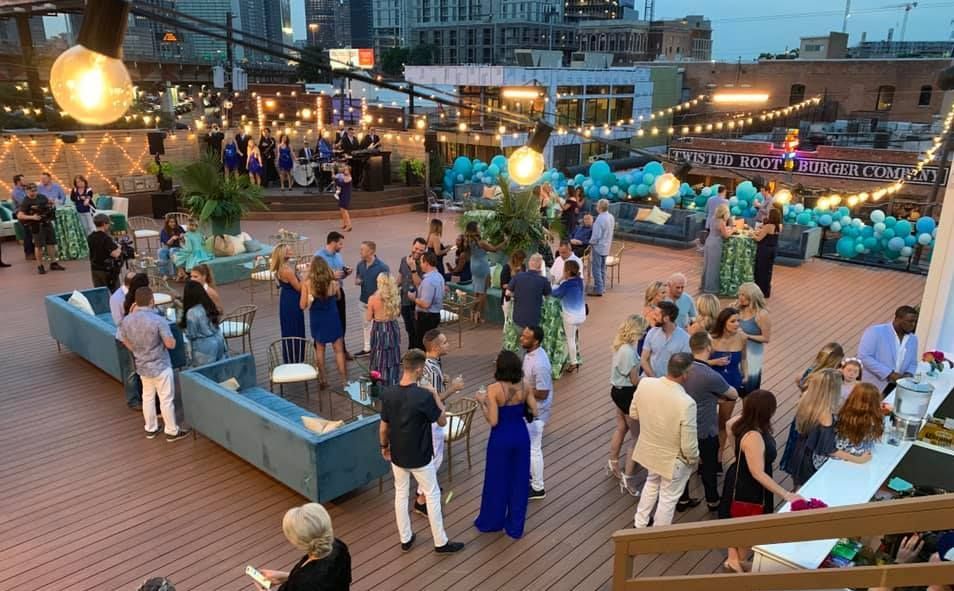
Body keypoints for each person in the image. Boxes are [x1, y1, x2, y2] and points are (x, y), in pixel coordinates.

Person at [379, 349, 464, 554]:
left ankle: (406, 538)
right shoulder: (423, 396)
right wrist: (434, 394)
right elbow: (442, 421)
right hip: (420, 454)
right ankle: (440, 542)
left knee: (400, 493)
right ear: (418, 369)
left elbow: (383, 427)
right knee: (432, 494)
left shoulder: (388, 394)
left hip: (398, 453)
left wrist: (384, 447)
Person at [719, 390, 802, 573]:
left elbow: (728, 423)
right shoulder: (754, 436)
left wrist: (737, 452)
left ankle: (732, 560)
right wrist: (786, 494)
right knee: (749, 527)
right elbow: (757, 473)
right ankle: (737, 562)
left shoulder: (739, 424)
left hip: (736, 477)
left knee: (734, 519)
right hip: (749, 487)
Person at [631, 353, 700, 528]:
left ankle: (640, 523)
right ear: (685, 373)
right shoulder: (687, 403)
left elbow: (634, 413)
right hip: (673, 459)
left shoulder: (645, 384)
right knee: (668, 499)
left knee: (651, 483)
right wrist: (693, 460)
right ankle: (658, 535)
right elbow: (688, 443)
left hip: (650, 451)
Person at [474, 350, 537, 539]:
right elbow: (535, 409)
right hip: (520, 435)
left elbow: (493, 421)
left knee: (496, 479)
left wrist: (482, 403)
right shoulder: (525, 386)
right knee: (519, 481)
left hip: (501, 438)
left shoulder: (493, 389)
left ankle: (492, 521)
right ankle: (515, 526)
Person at [117, 287, 190, 441]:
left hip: (142, 365)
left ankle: (151, 428)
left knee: (148, 397)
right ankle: (171, 431)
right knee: (166, 399)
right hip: (160, 365)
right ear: (152, 301)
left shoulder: (127, 320)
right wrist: (174, 340)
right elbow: (170, 344)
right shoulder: (158, 320)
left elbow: (122, 338)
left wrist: (135, 350)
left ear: (136, 301)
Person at [681, 331, 738, 512]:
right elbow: (733, 394)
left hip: (683, 426)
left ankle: (682, 499)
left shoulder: (681, 369)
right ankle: (712, 500)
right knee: (709, 466)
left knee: (682, 466)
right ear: (708, 348)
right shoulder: (709, 375)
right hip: (705, 429)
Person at [413, 329, 465, 515]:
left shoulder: (427, 364)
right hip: (432, 419)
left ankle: (427, 488)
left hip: (423, 418)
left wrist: (443, 381)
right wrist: (453, 388)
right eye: (444, 343)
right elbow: (435, 400)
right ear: (435, 347)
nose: (448, 344)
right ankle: (421, 498)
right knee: (435, 458)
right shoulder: (432, 368)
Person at [255, 503, 351, 591]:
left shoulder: (302, 583)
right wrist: (287, 576)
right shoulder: (338, 547)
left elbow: (308, 582)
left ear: (296, 541)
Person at [608, 314, 650, 496]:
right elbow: (634, 380)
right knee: (637, 437)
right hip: (627, 394)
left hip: (616, 391)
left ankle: (613, 461)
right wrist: (650, 381)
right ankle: (629, 477)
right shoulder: (630, 352)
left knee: (621, 428)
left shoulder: (620, 347)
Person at [785, 368, 848, 487]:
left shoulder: (807, 399)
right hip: (812, 460)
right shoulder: (825, 415)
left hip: (800, 450)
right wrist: (858, 459)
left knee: (799, 487)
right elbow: (828, 449)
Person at [301, 255, 347, 388]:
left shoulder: (308, 284)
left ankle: (323, 379)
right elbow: (338, 297)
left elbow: (302, 305)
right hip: (332, 317)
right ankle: (344, 380)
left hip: (317, 318)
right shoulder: (333, 283)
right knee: (338, 350)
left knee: (320, 350)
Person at [710, 306, 747, 456]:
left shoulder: (742, 337)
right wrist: (714, 362)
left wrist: (745, 374)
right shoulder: (711, 338)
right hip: (712, 382)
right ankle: (704, 457)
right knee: (708, 421)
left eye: (738, 321)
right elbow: (700, 361)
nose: (737, 324)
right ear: (723, 322)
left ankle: (718, 455)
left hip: (732, 381)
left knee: (724, 421)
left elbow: (744, 358)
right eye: (733, 321)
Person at [858, 305, 919, 395]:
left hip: (898, 388)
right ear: (898, 319)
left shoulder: (913, 339)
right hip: (874, 387)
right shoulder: (875, 331)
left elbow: (913, 362)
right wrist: (889, 374)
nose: (913, 325)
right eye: (910, 321)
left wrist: (908, 375)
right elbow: (864, 357)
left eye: (914, 322)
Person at [522, 325, 553, 500]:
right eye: (522, 336)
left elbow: (543, 392)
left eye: (526, 338)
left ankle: (538, 487)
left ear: (536, 341)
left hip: (537, 412)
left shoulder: (540, 364)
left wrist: (520, 390)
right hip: (529, 408)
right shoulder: (529, 355)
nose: (521, 339)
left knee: (534, 449)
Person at [315, 232, 353, 360]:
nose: (342, 246)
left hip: (339, 291)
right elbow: (315, 277)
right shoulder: (318, 257)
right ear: (333, 242)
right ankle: (319, 353)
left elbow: (340, 272)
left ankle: (342, 349)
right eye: (340, 243)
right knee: (323, 323)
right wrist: (331, 276)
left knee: (342, 321)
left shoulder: (338, 256)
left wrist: (346, 272)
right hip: (324, 295)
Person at [17, 182, 65, 274]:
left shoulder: (42, 197)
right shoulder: (26, 201)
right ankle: (40, 266)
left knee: (51, 243)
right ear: (27, 191)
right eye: (31, 191)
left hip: (47, 222)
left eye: (35, 190)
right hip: (36, 226)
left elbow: (49, 204)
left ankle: (53, 263)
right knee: (39, 246)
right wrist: (32, 217)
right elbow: (20, 215)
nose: (34, 192)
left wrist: (51, 203)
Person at [463, 221, 506, 323]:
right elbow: (494, 249)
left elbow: (467, 256)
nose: (480, 228)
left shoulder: (468, 241)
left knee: (477, 291)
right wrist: (505, 242)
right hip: (482, 266)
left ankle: (472, 313)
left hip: (473, 265)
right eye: (478, 227)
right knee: (483, 293)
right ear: (474, 229)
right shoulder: (480, 242)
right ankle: (478, 315)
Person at [180, 280, 227, 367]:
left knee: (206, 374)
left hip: (204, 347)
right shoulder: (209, 305)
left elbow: (192, 334)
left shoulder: (192, 312)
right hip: (219, 340)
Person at [271, 243, 305, 362]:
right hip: (292, 300)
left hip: (286, 299)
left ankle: (292, 357)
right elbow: (299, 288)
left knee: (289, 328)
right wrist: (304, 276)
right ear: (283, 254)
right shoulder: (286, 270)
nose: (291, 251)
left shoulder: (281, 268)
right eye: (288, 250)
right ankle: (296, 358)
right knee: (295, 327)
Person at [355, 240, 389, 356]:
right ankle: (367, 348)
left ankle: (378, 348)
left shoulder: (382, 267)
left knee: (377, 327)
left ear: (371, 251)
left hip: (377, 304)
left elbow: (386, 286)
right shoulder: (360, 265)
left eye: (362, 249)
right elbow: (357, 278)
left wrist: (375, 299)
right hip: (363, 300)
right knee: (366, 325)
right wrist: (357, 281)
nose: (360, 251)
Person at [367, 274, 402, 386]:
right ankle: (393, 381)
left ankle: (379, 382)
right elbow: (398, 313)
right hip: (392, 327)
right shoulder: (395, 297)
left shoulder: (372, 299)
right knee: (392, 354)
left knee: (379, 355)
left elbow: (368, 318)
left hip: (379, 329)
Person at [640, 301, 690, 378]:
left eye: (657, 315)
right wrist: (654, 379)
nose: (654, 317)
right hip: (649, 380)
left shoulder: (685, 339)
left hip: (670, 384)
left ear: (666, 318)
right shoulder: (652, 332)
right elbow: (644, 359)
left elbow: (684, 367)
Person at [835, 382, 884, 460]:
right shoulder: (877, 418)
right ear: (876, 400)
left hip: (840, 455)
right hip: (861, 455)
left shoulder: (841, 413)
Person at [552, 259, 586, 373]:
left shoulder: (566, 285)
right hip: (580, 315)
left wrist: (560, 279)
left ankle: (573, 362)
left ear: (567, 272)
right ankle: (569, 360)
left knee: (570, 339)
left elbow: (555, 293)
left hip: (570, 316)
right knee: (570, 338)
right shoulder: (580, 281)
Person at [737, 282, 771, 393]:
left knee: (749, 390)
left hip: (752, 355)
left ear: (752, 296)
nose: (741, 298)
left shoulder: (761, 314)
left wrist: (747, 336)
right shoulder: (736, 308)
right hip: (736, 351)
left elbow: (766, 338)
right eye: (740, 294)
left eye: (744, 295)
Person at [508, 253, 552, 331]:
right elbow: (549, 297)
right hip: (534, 319)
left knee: (521, 340)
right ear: (540, 264)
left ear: (529, 263)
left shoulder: (518, 276)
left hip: (518, 318)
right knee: (532, 341)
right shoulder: (543, 280)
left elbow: (507, 292)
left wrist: (517, 295)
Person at [398, 237, 427, 348]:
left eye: (421, 250)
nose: (418, 252)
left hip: (417, 302)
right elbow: (400, 278)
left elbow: (420, 284)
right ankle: (412, 351)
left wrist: (414, 268)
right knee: (409, 328)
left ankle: (415, 353)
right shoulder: (403, 260)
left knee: (416, 329)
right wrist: (391, 290)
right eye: (416, 248)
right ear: (412, 246)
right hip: (405, 299)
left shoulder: (424, 264)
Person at [412, 252, 444, 350]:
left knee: (423, 345)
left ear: (426, 263)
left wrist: (413, 298)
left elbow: (425, 304)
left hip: (426, 317)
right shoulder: (439, 276)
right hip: (435, 315)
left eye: (421, 262)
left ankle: (424, 363)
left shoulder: (429, 281)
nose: (420, 265)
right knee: (431, 344)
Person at [702, 203, 734, 294]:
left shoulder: (713, 219)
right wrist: (732, 229)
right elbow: (726, 235)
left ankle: (705, 285)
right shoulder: (721, 222)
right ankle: (711, 288)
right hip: (716, 244)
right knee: (714, 266)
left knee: (707, 265)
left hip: (709, 241)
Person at [87, 213, 121, 291]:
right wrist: (119, 248)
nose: (109, 226)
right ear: (104, 224)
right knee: (114, 292)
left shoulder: (90, 237)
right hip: (107, 270)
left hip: (95, 268)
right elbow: (115, 254)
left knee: (100, 292)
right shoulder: (106, 238)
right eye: (108, 224)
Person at [753, 206, 781, 297]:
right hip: (773, 249)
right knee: (768, 270)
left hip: (764, 250)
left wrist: (752, 234)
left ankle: (759, 290)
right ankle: (766, 290)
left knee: (760, 270)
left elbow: (758, 239)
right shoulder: (779, 226)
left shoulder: (768, 226)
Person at [588, 199, 615, 296]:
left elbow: (596, 235)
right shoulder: (611, 217)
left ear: (599, 207)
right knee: (603, 268)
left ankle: (598, 289)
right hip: (607, 246)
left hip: (598, 247)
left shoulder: (600, 219)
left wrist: (590, 242)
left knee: (596, 269)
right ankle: (602, 287)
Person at [11, 174, 35, 259]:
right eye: (23, 180)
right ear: (18, 182)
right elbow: (24, 202)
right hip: (21, 214)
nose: (25, 181)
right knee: (27, 233)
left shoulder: (25, 189)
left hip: (28, 213)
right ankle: (29, 254)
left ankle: (34, 252)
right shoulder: (16, 192)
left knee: (32, 233)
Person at [499, 249, 525, 321]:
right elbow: (503, 285)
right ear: (516, 259)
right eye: (521, 260)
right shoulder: (506, 268)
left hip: (519, 297)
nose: (522, 262)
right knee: (508, 320)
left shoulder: (523, 267)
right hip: (508, 298)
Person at [158, 215, 186, 280]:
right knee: (161, 251)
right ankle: (165, 274)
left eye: (174, 222)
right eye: (171, 222)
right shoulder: (164, 230)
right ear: (167, 223)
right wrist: (172, 239)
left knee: (172, 251)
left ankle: (173, 274)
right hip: (168, 247)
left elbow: (186, 239)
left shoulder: (179, 228)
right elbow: (167, 243)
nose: (173, 223)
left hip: (179, 247)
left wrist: (183, 236)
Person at [334, 165, 353, 232]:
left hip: (346, 195)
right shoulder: (342, 176)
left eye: (346, 170)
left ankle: (349, 225)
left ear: (349, 171)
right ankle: (345, 224)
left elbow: (343, 181)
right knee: (341, 210)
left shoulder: (349, 177)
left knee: (345, 210)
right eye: (344, 169)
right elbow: (336, 178)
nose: (345, 171)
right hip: (342, 194)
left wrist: (339, 178)